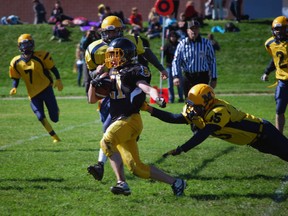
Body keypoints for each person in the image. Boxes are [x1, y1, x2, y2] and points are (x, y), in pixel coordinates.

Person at [87, 37, 187, 196]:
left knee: (106, 141)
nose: (112, 58)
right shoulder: (112, 72)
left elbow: (146, 87)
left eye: (116, 54)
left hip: (130, 119)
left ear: (126, 55)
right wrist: (94, 81)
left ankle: (121, 183)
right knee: (137, 168)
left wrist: (157, 97)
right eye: (110, 55)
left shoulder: (134, 70)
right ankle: (177, 182)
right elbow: (92, 99)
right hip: (119, 122)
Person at [85, 15, 168, 182]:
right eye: (110, 32)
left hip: (128, 86)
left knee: (112, 129)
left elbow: (147, 53)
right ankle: (106, 167)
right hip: (109, 88)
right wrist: (97, 77)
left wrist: (160, 69)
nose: (113, 35)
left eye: (116, 31)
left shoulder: (131, 42)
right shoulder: (94, 49)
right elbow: (91, 72)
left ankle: (104, 167)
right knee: (108, 128)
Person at [141, 83, 288, 162]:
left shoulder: (219, 110)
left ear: (207, 103)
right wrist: (149, 109)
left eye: (196, 106)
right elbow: (174, 118)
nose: (192, 109)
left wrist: (182, 149)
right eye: (191, 105)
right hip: (254, 141)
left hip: (265, 132)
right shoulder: (198, 109)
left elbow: (203, 134)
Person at [9, 34, 63, 143]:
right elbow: (15, 77)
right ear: (19, 46)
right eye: (23, 44)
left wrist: (58, 79)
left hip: (46, 89)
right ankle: (54, 137)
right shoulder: (15, 62)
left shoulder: (41, 56)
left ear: (32, 44)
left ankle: (56, 110)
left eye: (28, 43)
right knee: (40, 116)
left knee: (54, 118)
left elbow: (53, 68)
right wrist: (14, 87)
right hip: (33, 93)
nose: (26, 47)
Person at [172, 20, 217, 98]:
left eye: (196, 29)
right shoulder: (182, 44)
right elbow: (176, 61)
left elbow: (212, 61)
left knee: (203, 101)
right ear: (187, 31)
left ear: (199, 30)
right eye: (191, 29)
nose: (194, 31)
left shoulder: (206, 43)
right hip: (188, 77)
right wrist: (175, 77)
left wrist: (214, 78)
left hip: (203, 76)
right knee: (190, 102)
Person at [261, 16, 288, 134]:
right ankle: (279, 137)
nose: (279, 31)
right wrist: (267, 72)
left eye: (282, 29)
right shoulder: (269, 43)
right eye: (277, 29)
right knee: (279, 110)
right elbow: (275, 60)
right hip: (282, 81)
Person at [163, 31, 184, 103]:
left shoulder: (179, 44)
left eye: (174, 37)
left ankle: (181, 97)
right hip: (169, 66)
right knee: (170, 84)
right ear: (169, 37)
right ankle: (171, 98)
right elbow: (162, 56)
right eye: (172, 37)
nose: (173, 38)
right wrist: (162, 50)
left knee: (179, 83)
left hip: (178, 67)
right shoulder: (167, 45)